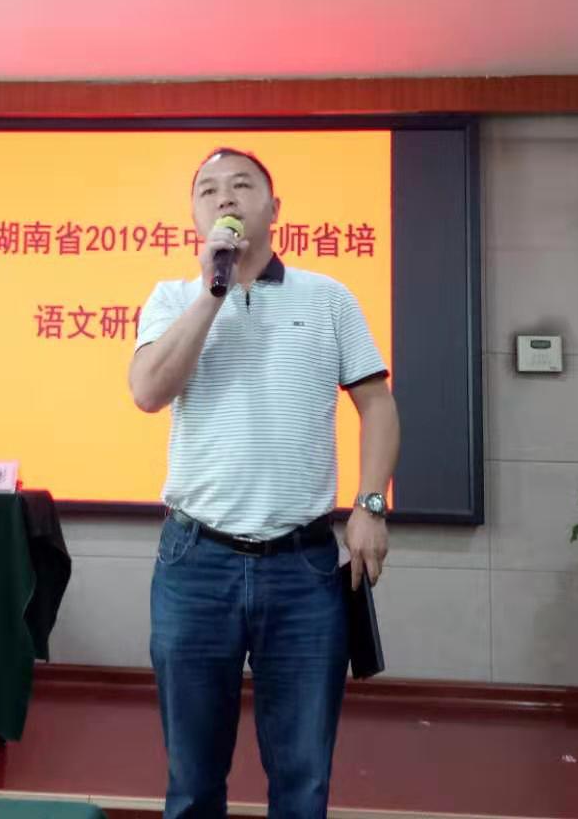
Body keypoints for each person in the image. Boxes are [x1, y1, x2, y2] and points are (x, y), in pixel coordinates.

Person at [129, 147, 401, 819]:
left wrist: (371, 505)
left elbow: (378, 406)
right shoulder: (172, 298)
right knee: (193, 779)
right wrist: (211, 292)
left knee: (303, 780)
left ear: (274, 209)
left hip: (302, 566)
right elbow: (148, 392)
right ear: (194, 217)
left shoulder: (329, 297)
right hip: (195, 563)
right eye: (208, 190)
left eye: (241, 186)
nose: (225, 198)